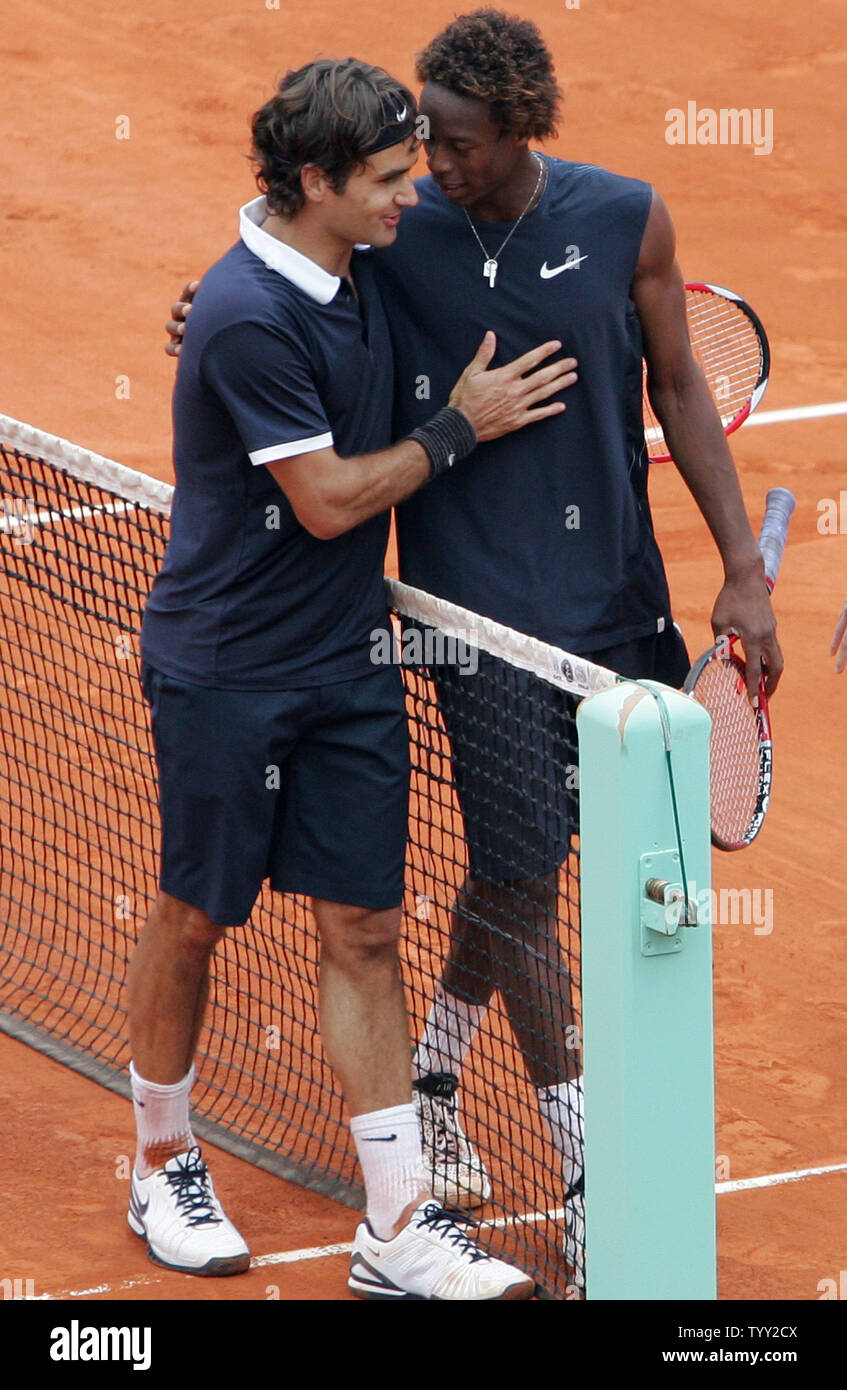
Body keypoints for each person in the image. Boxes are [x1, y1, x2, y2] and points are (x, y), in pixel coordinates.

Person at [165, 11, 783, 1284]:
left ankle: (436, 1065)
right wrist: (205, 306)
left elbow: (678, 385)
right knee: (524, 875)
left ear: (516, 130)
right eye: (416, 151)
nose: (430, 169)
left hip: (620, 610)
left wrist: (737, 568)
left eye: (452, 145)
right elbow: (286, 259)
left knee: (562, 882)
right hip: (474, 628)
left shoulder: (626, 218)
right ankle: (583, 1166)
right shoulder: (397, 232)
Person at [132, 54, 576, 1302]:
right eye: (387, 179)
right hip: (227, 666)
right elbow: (325, 502)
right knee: (194, 915)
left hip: (343, 661)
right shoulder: (245, 317)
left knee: (366, 928)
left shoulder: (348, 250)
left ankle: (396, 1223)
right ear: (315, 180)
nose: (413, 196)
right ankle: (161, 1156)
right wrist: (458, 427)